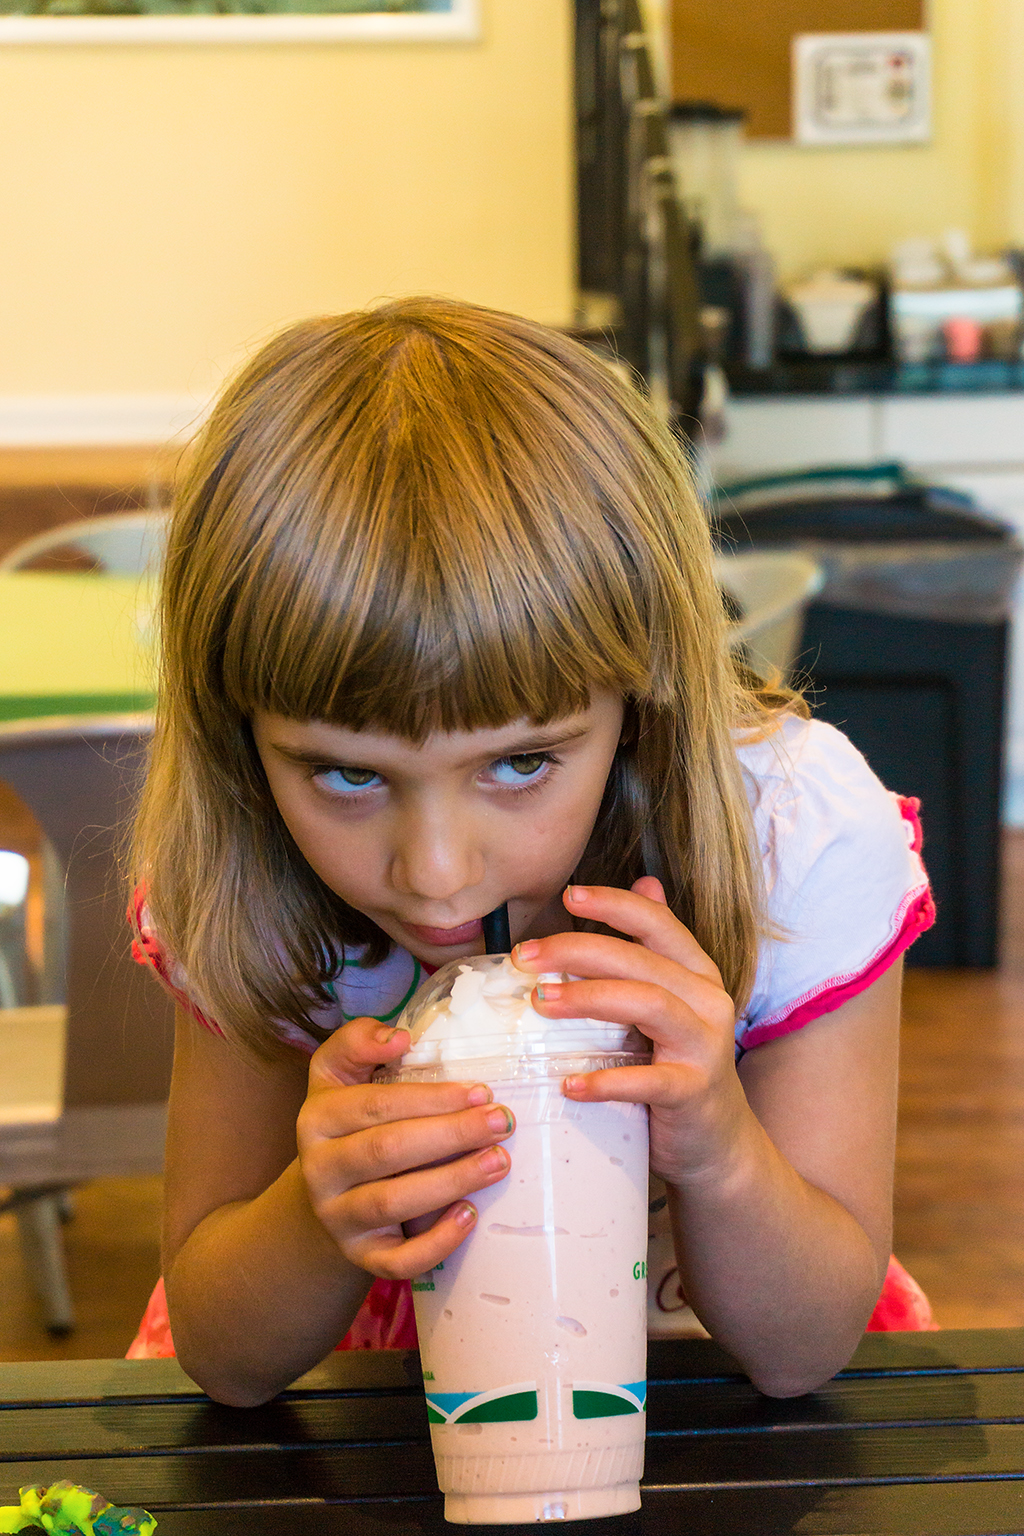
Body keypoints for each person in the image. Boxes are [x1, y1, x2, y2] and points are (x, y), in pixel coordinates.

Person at [128, 297, 935, 1406]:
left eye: (520, 764)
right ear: (241, 740)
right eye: (347, 775)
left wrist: (715, 1143)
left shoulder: (788, 831)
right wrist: (322, 1210)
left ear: (639, 690)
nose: (438, 873)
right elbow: (224, 1355)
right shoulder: (244, 870)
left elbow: (801, 1351)